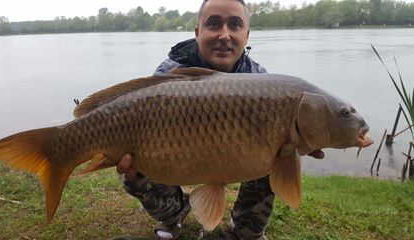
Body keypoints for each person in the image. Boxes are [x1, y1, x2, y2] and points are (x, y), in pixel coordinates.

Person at [116, 0, 324, 239]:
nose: (224, 35)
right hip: (179, 157)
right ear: (198, 32)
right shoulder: (169, 75)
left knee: (280, 151)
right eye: (214, 24)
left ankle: (246, 228)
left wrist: (300, 136)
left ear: (246, 35)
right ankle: (173, 215)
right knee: (132, 168)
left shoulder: (261, 82)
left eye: (235, 25)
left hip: (237, 158)